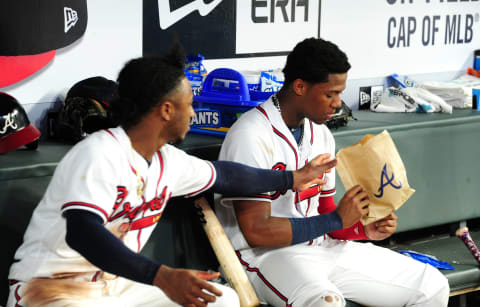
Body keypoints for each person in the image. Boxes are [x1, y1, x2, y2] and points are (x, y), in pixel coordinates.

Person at [6, 43, 337, 307]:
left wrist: (291, 179)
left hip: (115, 286)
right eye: (188, 103)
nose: (193, 112)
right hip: (52, 288)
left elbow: (226, 176)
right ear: (166, 110)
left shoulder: (167, 160)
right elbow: (82, 232)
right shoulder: (99, 153)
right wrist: (161, 275)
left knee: (222, 301)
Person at [215, 37, 450, 307]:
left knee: (431, 286)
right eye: (330, 94)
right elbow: (257, 231)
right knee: (325, 302)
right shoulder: (251, 135)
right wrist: (336, 221)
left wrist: (363, 229)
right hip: (266, 256)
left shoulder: (320, 134)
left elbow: (326, 214)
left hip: (323, 248)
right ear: (300, 86)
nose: (338, 103)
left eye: (340, 93)